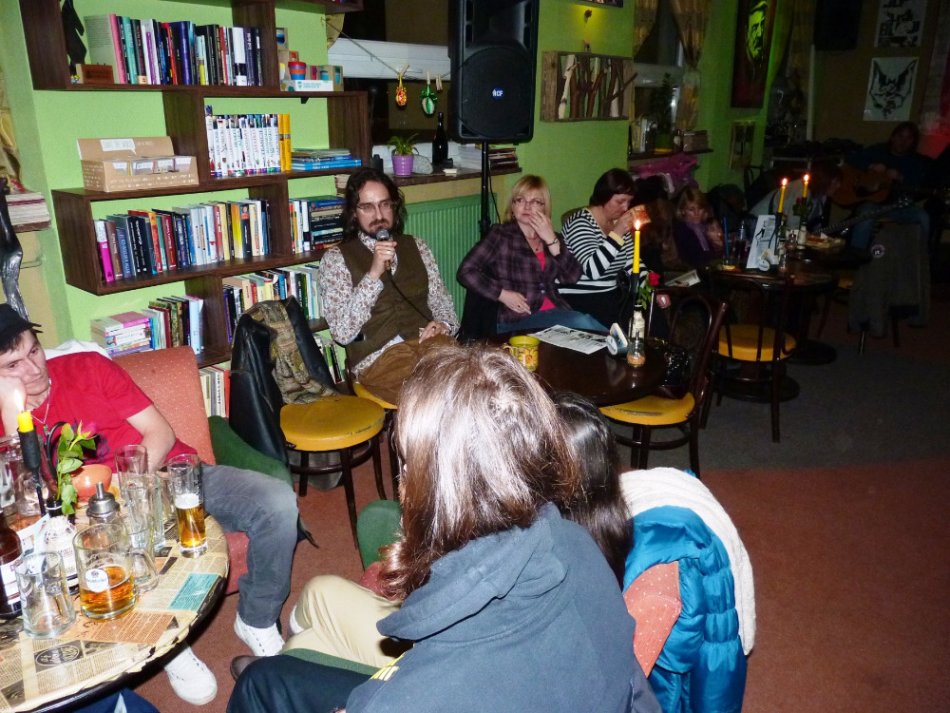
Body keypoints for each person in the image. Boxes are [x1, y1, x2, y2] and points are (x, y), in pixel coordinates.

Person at [228, 344, 660, 713]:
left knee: (260, 684)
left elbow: (435, 685)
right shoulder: (575, 543)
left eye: (407, 464)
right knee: (273, 672)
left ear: (427, 490)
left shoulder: (404, 701)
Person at [0, 305, 298, 706]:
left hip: (169, 473)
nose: (34, 369)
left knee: (278, 503)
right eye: (13, 365)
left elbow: (160, 431)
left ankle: (256, 618)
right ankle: (167, 645)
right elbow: (26, 503)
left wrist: (130, 489)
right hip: (83, 518)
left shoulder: (88, 367)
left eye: (34, 351)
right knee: (115, 554)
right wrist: (11, 415)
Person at [248, 391, 632, 672]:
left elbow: (446, 606)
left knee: (318, 593)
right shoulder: (601, 533)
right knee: (308, 639)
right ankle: (285, 666)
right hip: (468, 650)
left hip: (442, 660)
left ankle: (280, 671)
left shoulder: (528, 541)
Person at [317, 168, 458, 405]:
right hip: (379, 360)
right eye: (368, 207)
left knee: (476, 380)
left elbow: (443, 304)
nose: (379, 214)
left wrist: (443, 325)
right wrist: (373, 274)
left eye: (385, 204)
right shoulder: (336, 259)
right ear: (353, 213)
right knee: (435, 395)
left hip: (430, 348)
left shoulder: (417, 246)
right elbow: (342, 333)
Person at [457, 175, 606, 334]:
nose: (527, 206)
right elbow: (466, 271)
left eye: (535, 201)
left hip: (555, 312)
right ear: (513, 206)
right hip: (517, 318)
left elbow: (572, 277)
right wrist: (502, 294)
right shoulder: (501, 235)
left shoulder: (551, 237)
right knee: (582, 323)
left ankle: (618, 344)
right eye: (520, 200)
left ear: (544, 208)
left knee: (588, 326)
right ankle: (619, 344)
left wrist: (551, 240)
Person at [559, 168, 642, 328]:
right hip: (582, 297)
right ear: (604, 196)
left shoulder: (617, 222)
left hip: (609, 294)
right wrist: (617, 234)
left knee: (647, 316)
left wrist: (650, 288)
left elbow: (633, 263)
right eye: (620, 201)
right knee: (623, 325)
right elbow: (593, 270)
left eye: (629, 202)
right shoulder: (579, 223)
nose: (625, 208)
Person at [843, 122, 933, 250]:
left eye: (908, 138)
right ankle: (856, 254)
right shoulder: (879, 151)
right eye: (900, 136)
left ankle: (921, 257)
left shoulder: (916, 162)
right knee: (865, 215)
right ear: (893, 137)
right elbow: (852, 158)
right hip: (874, 204)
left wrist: (900, 177)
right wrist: (871, 166)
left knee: (923, 217)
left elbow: (917, 187)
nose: (903, 141)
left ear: (913, 142)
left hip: (900, 205)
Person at [750, 161, 843, 233]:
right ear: (824, 181)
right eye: (835, 182)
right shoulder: (801, 191)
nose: (838, 186)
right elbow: (793, 227)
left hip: (775, 227)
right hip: (759, 224)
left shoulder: (820, 197)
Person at [672, 187, 723, 268]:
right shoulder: (681, 230)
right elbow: (696, 259)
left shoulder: (706, 225)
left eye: (700, 208)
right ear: (683, 210)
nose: (696, 213)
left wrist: (720, 246)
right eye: (691, 210)